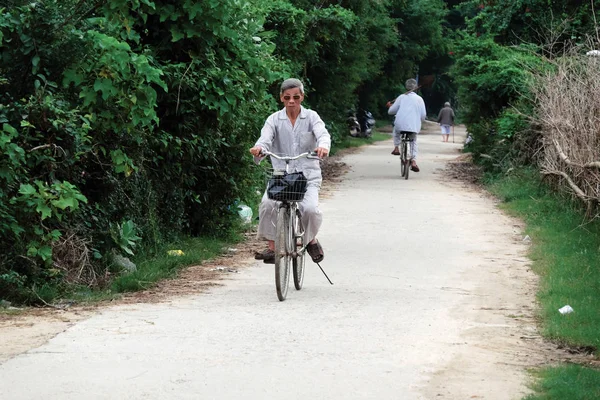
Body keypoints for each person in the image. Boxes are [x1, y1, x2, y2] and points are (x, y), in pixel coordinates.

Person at [250, 78, 331, 264]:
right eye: (287, 97)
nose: (291, 101)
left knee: (309, 209)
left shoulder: (311, 117)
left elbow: (322, 134)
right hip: (281, 176)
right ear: (281, 98)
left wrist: (323, 146)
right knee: (267, 205)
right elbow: (265, 140)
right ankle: (272, 247)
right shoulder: (274, 120)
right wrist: (259, 149)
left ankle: (311, 240)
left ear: (302, 97)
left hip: (307, 175)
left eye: (295, 97)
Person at [386, 79, 426, 172]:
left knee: (396, 130)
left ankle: (396, 147)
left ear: (406, 87)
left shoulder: (401, 97)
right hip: (413, 127)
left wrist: (389, 106)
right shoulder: (419, 99)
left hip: (400, 125)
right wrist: (419, 119)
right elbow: (423, 115)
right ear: (415, 88)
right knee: (413, 141)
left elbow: (391, 112)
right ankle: (414, 161)